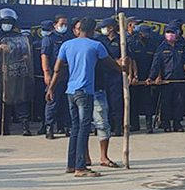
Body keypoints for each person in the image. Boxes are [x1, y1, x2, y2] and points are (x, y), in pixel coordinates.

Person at [46, 17, 127, 178]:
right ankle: (80, 167)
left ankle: (71, 164)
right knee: (84, 128)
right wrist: (122, 66)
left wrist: (51, 89)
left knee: (75, 128)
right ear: (92, 30)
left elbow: (56, 69)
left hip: (70, 91)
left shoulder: (67, 45)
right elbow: (110, 64)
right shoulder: (96, 45)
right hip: (85, 91)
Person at [0, 8, 33, 136]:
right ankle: (2, 128)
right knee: (2, 102)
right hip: (0, 76)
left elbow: (26, 53)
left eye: (9, 22)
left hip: (17, 73)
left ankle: (25, 127)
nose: (7, 24)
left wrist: (23, 57)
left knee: (20, 100)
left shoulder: (21, 38)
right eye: (4, 21)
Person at [149, 24, 185, 132]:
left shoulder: (181, 47)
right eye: (168, 32)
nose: (170, 35)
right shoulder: (161, 48)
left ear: (176, 34)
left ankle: (177, 124)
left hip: (179, 79)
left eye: (172, 32)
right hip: (166, 80)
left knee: (179, 102)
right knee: (166, 103)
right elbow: (156, 64)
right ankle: (166, 124)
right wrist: (155, 77)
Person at [42, 15, 72, 139]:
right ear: (55, 25)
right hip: (55, 74)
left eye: (65, 24)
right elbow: (45, 56)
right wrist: (46, 72)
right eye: (61, 24)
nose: (64, 26)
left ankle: (65, 126)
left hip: (68, 74)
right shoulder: (49, 39)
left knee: (67, 102)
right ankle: (49, 127)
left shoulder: (69, 38)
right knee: (52, 101)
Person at [96, 19, 125, 136]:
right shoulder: (99, 41)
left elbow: (127, 58)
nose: (103, 30)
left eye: (105, 27)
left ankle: (117, 126)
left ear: (111, 28)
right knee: (102, 102)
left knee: (116, 101)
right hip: (102, 74)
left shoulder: (121, 40)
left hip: (115, 75)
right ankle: (103, 127)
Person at [127, 25, 157, 133]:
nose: (147, 36)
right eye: (145, 34)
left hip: (148, 78)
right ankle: (135, 125)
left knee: (148, 103)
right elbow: (131, 61)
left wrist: (151, 77)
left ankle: (149, 126)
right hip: (136, 79)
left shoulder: (152, 45)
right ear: (140, 34)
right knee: (134, 102)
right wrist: (133, 76)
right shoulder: (133, 44)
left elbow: (155, 63)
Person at [33, 20, 53, 132]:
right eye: (44, 30)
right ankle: (43, 124)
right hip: (38, 76)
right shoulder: (35, 43)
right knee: (41, 102)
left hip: (51, 75)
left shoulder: (52, 41)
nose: (45, 32)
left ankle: (55, 125)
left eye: (48, 30)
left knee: (51, 101)